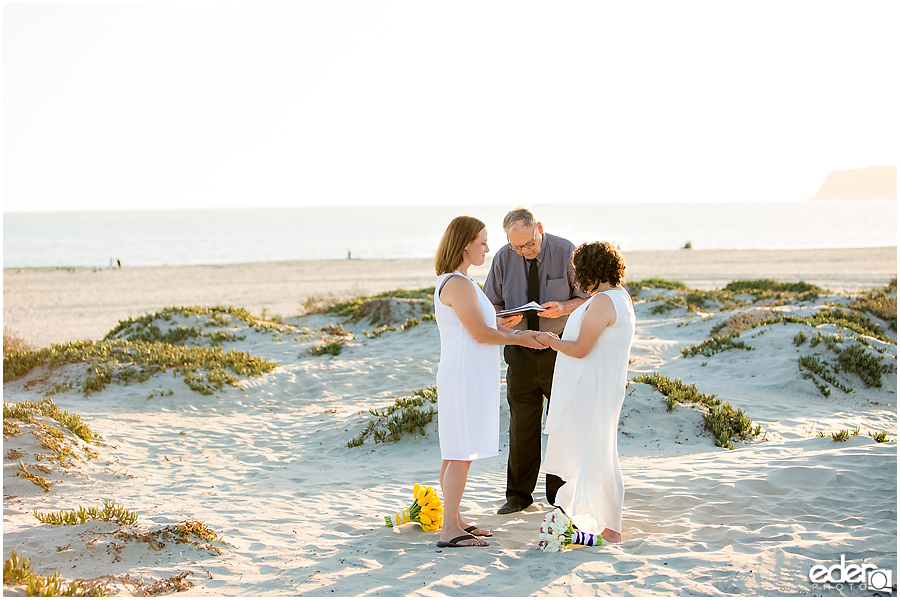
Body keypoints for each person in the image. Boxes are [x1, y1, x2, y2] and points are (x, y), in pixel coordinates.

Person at [433, 215, 546, 548]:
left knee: (455, 451)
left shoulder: (460, 281)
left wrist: (512, 329)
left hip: (466, 373)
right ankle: (449, 531)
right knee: (459, 453)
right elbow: (480, 334)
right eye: (482, 241)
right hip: (464, 376)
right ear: (466, 244)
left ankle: (453, 520)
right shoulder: (457, 283)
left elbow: (482, 326)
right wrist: (522, 339)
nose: (487, 247)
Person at [483, 206, 589, 515]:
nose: (524, 252)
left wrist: (563, 308)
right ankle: (518, 496)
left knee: (562, 424)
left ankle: (561, 497)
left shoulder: (566, 250)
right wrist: (502, 319)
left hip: (560, 352)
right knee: (521, 426)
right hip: (519, 351)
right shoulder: (504, 257)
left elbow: (586, 297)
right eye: (517, 246)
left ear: (539, 228)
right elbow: (491, 303)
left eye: (529, 244)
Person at [534, 241, 635, 543]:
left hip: (596, 389)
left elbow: (580, 349)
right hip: (599, 386)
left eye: (579, 271)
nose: (577, 278)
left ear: (593, 269)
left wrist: (550, 340)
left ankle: (611, 527)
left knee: (598, 452)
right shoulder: (619, 297)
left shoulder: (605, 301)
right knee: (594, 451)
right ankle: (600, 521)